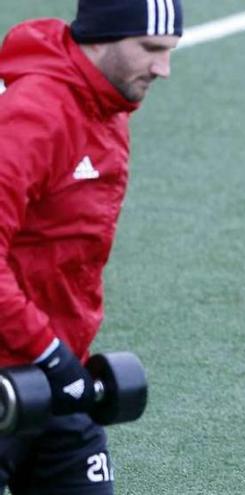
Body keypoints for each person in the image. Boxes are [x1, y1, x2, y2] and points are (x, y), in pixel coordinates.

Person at [0, 0, 182, 493]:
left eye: (169, 52)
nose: (162, 68)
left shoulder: (108, 112)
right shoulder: (31, 116)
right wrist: (47, 350)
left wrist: (60, 358)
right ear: (100, 38)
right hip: (32, 367)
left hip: (56, 378)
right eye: (150, 49)